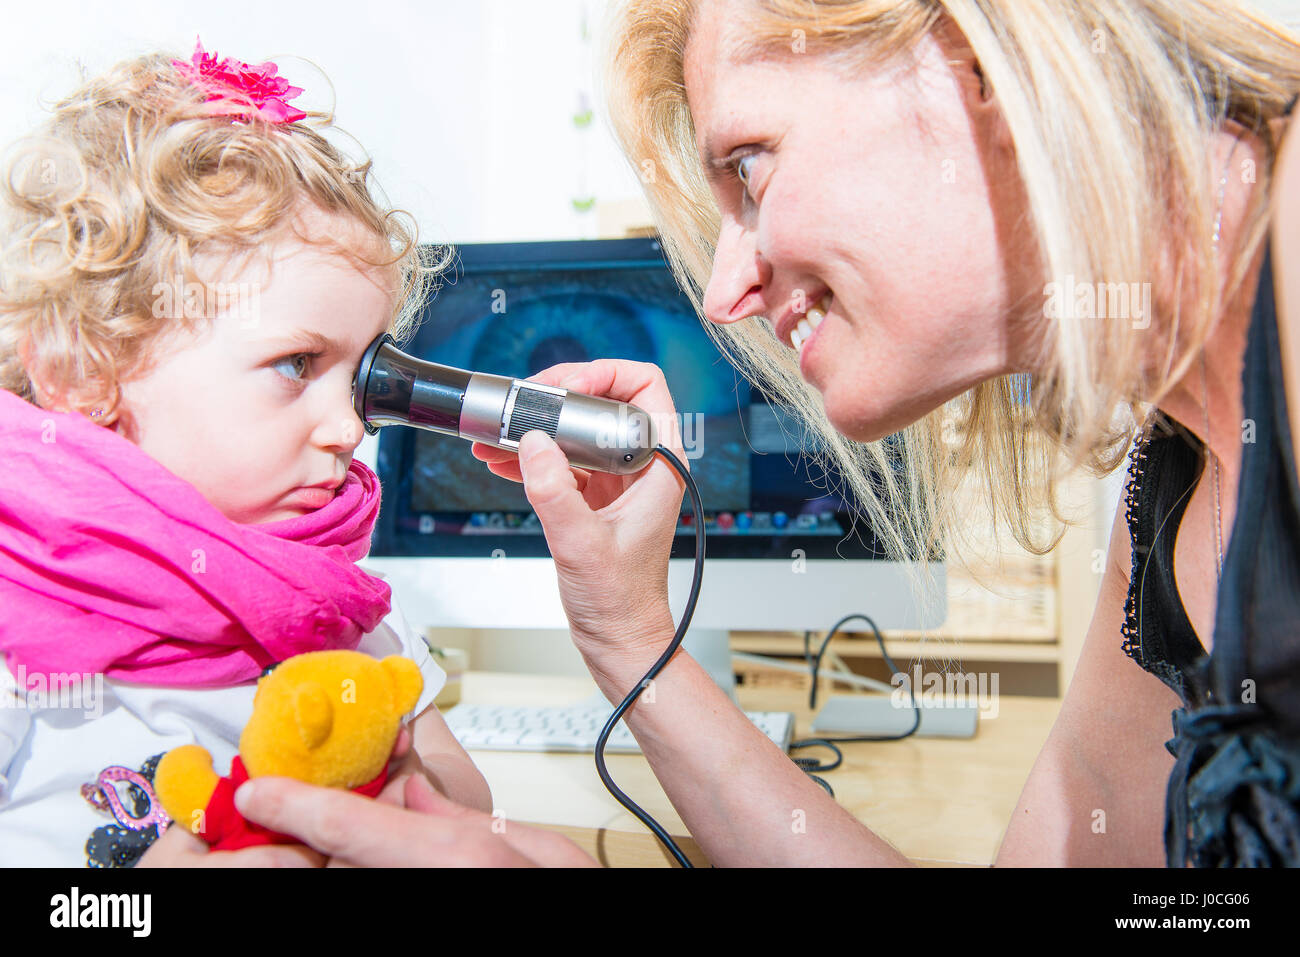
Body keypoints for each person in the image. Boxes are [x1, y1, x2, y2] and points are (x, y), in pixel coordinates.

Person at [207, 0, 1300, 866]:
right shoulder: (1182, 468)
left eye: (748, 168)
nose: (726, 291)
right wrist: (627, 632)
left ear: (974, 54)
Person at [0, 40, 491, 867]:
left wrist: (407, 784)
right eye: (295, 364)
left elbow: (462, 793)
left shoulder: (345, 603)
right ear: (86, 369)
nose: (349, 428)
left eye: (358, 373)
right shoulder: (21, 620)